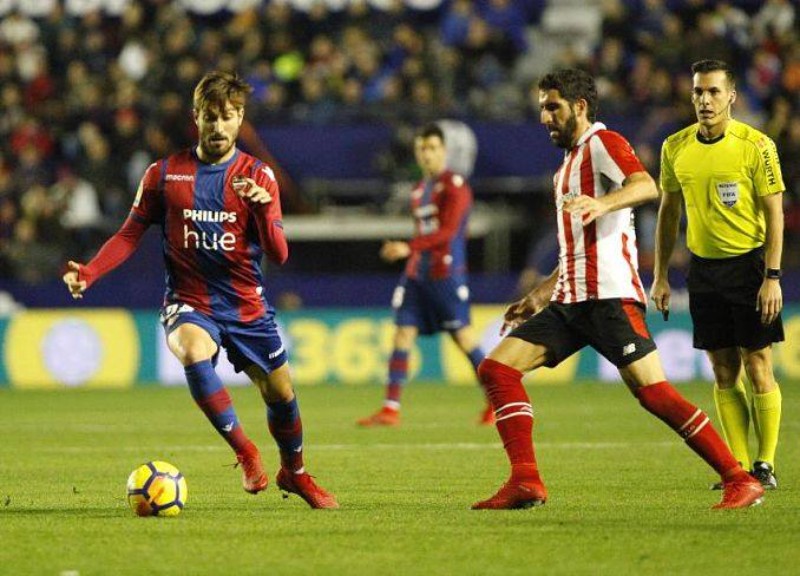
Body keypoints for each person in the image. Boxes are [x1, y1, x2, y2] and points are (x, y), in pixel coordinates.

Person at [472, 68, 764, 511]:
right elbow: (577, 248)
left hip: (608, 297)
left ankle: (738, 479)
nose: (545, 117)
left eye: (553, 106)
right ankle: (525, 481)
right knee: (497, 370)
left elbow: (645, 185)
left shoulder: (603, 144)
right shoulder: (567, 165)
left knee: (654, 394)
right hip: (571, 299)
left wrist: (602, 202)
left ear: (580, 107)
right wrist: (538, 296)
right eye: (541, 109)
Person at [62, 71, 338, 509]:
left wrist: (264, 212)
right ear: (196, 117)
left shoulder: (258, 175)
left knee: (281, 395)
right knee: (192, 349)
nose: (218, 126)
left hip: (246, 303)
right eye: (210, 116)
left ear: (239, 118)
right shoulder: (164, 174)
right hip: (189, 300)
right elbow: (130, 233)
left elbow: (280, 255)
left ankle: (296, 473)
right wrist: (92, 271)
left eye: (227, 117)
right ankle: (246, 453)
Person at [651, 59, 785, 491]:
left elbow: (775, 214)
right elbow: (668, 212)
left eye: (712, 92)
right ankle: (738, 468)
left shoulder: (757, 146)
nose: (704, 101)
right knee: (723, 369)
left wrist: (773, 276)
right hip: (703, 269)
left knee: (758, 363)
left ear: (731, 96)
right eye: (697, 92)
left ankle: (765, 463)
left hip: (749, 267)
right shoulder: (675, 147)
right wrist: (660, 275)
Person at [357, 123, 494, 427]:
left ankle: (496, 401)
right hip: (417, 274)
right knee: (402, 333)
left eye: (432, 148)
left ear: (443, 151)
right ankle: (390, 409)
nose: (427, 154)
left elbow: (447, 233)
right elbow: (427, 230)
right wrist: (411, 255)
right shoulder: (420, 188)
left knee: (463, 337)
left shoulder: (456, 186)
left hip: (446, 273)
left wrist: (409, 247)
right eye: (422, 149)